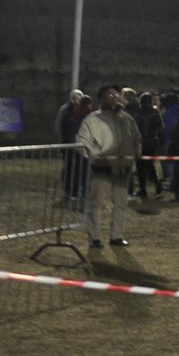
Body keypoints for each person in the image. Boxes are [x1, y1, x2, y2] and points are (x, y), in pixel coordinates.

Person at [74, 85, 140, 249]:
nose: (114, 97)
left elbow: (137, 138)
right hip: (102, 169)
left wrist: (135, 153)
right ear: (101, 99)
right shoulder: (92, 120)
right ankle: (94, 238)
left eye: (116, 94)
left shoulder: (127, 119)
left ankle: (116, 236)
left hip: (122, 170)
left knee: (121, 204)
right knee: (96, 204)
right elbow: (82, 142)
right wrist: (97, 155)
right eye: (109, 95)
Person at [55, 89, 92, 200]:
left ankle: (78, 190)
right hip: (68, 143)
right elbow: (61, 125)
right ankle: (68, 189)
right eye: (76, 97)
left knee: (79, 168)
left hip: (79, 144)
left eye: (79, 97)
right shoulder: (66, 111)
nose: (78, 99)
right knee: (69, 167)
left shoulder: (83, 111)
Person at [133, 92, 166, 199]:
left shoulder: (138, 113)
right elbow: (161, 128)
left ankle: (143, 189)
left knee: (140, 167)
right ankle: (157, 185)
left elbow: (134, 128)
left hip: (141, 142)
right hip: (152, 143)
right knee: (149, 165)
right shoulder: (155, 113)